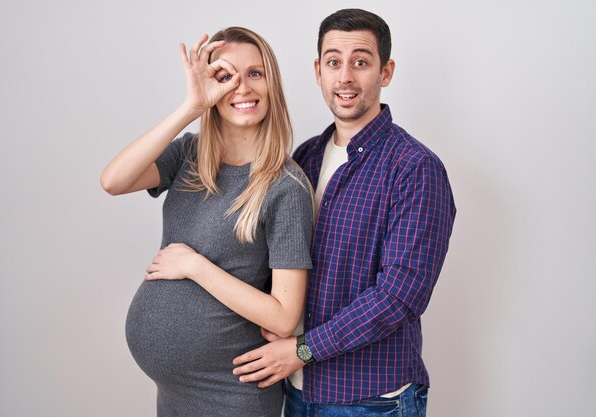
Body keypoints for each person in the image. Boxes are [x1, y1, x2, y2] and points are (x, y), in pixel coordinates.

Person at [232, 9, 456, 417]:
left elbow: (399, 296)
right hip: (296, 391)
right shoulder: (305, 159)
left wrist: (302, 350)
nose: (346, 77)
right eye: (334, 62)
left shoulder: (415, 168)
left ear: (385, 72)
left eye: (361, 62)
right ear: (318, 71)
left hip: (371, 401)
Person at [100, 27, 313, 417]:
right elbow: (114, 181)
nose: (242, 87)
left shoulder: (285, 187)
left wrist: (194, 267)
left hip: (232, 394)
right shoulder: (189, 155)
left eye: (255, 73)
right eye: (225, 75)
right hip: (174, 395)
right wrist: (191, 107)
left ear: (272, 84)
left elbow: (285, 317)